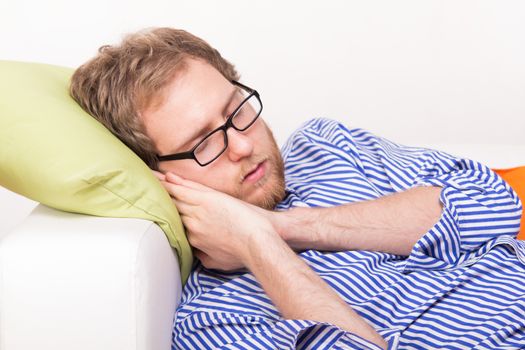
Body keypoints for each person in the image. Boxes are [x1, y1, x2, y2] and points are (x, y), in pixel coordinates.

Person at [69, 27, 524, 349]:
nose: (243, 145)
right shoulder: (211, 323)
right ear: (157, 174)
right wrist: (255, 242)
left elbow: (498, 205)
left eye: (237, 109)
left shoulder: (328, 144)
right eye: (204, 142)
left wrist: (288, 226)